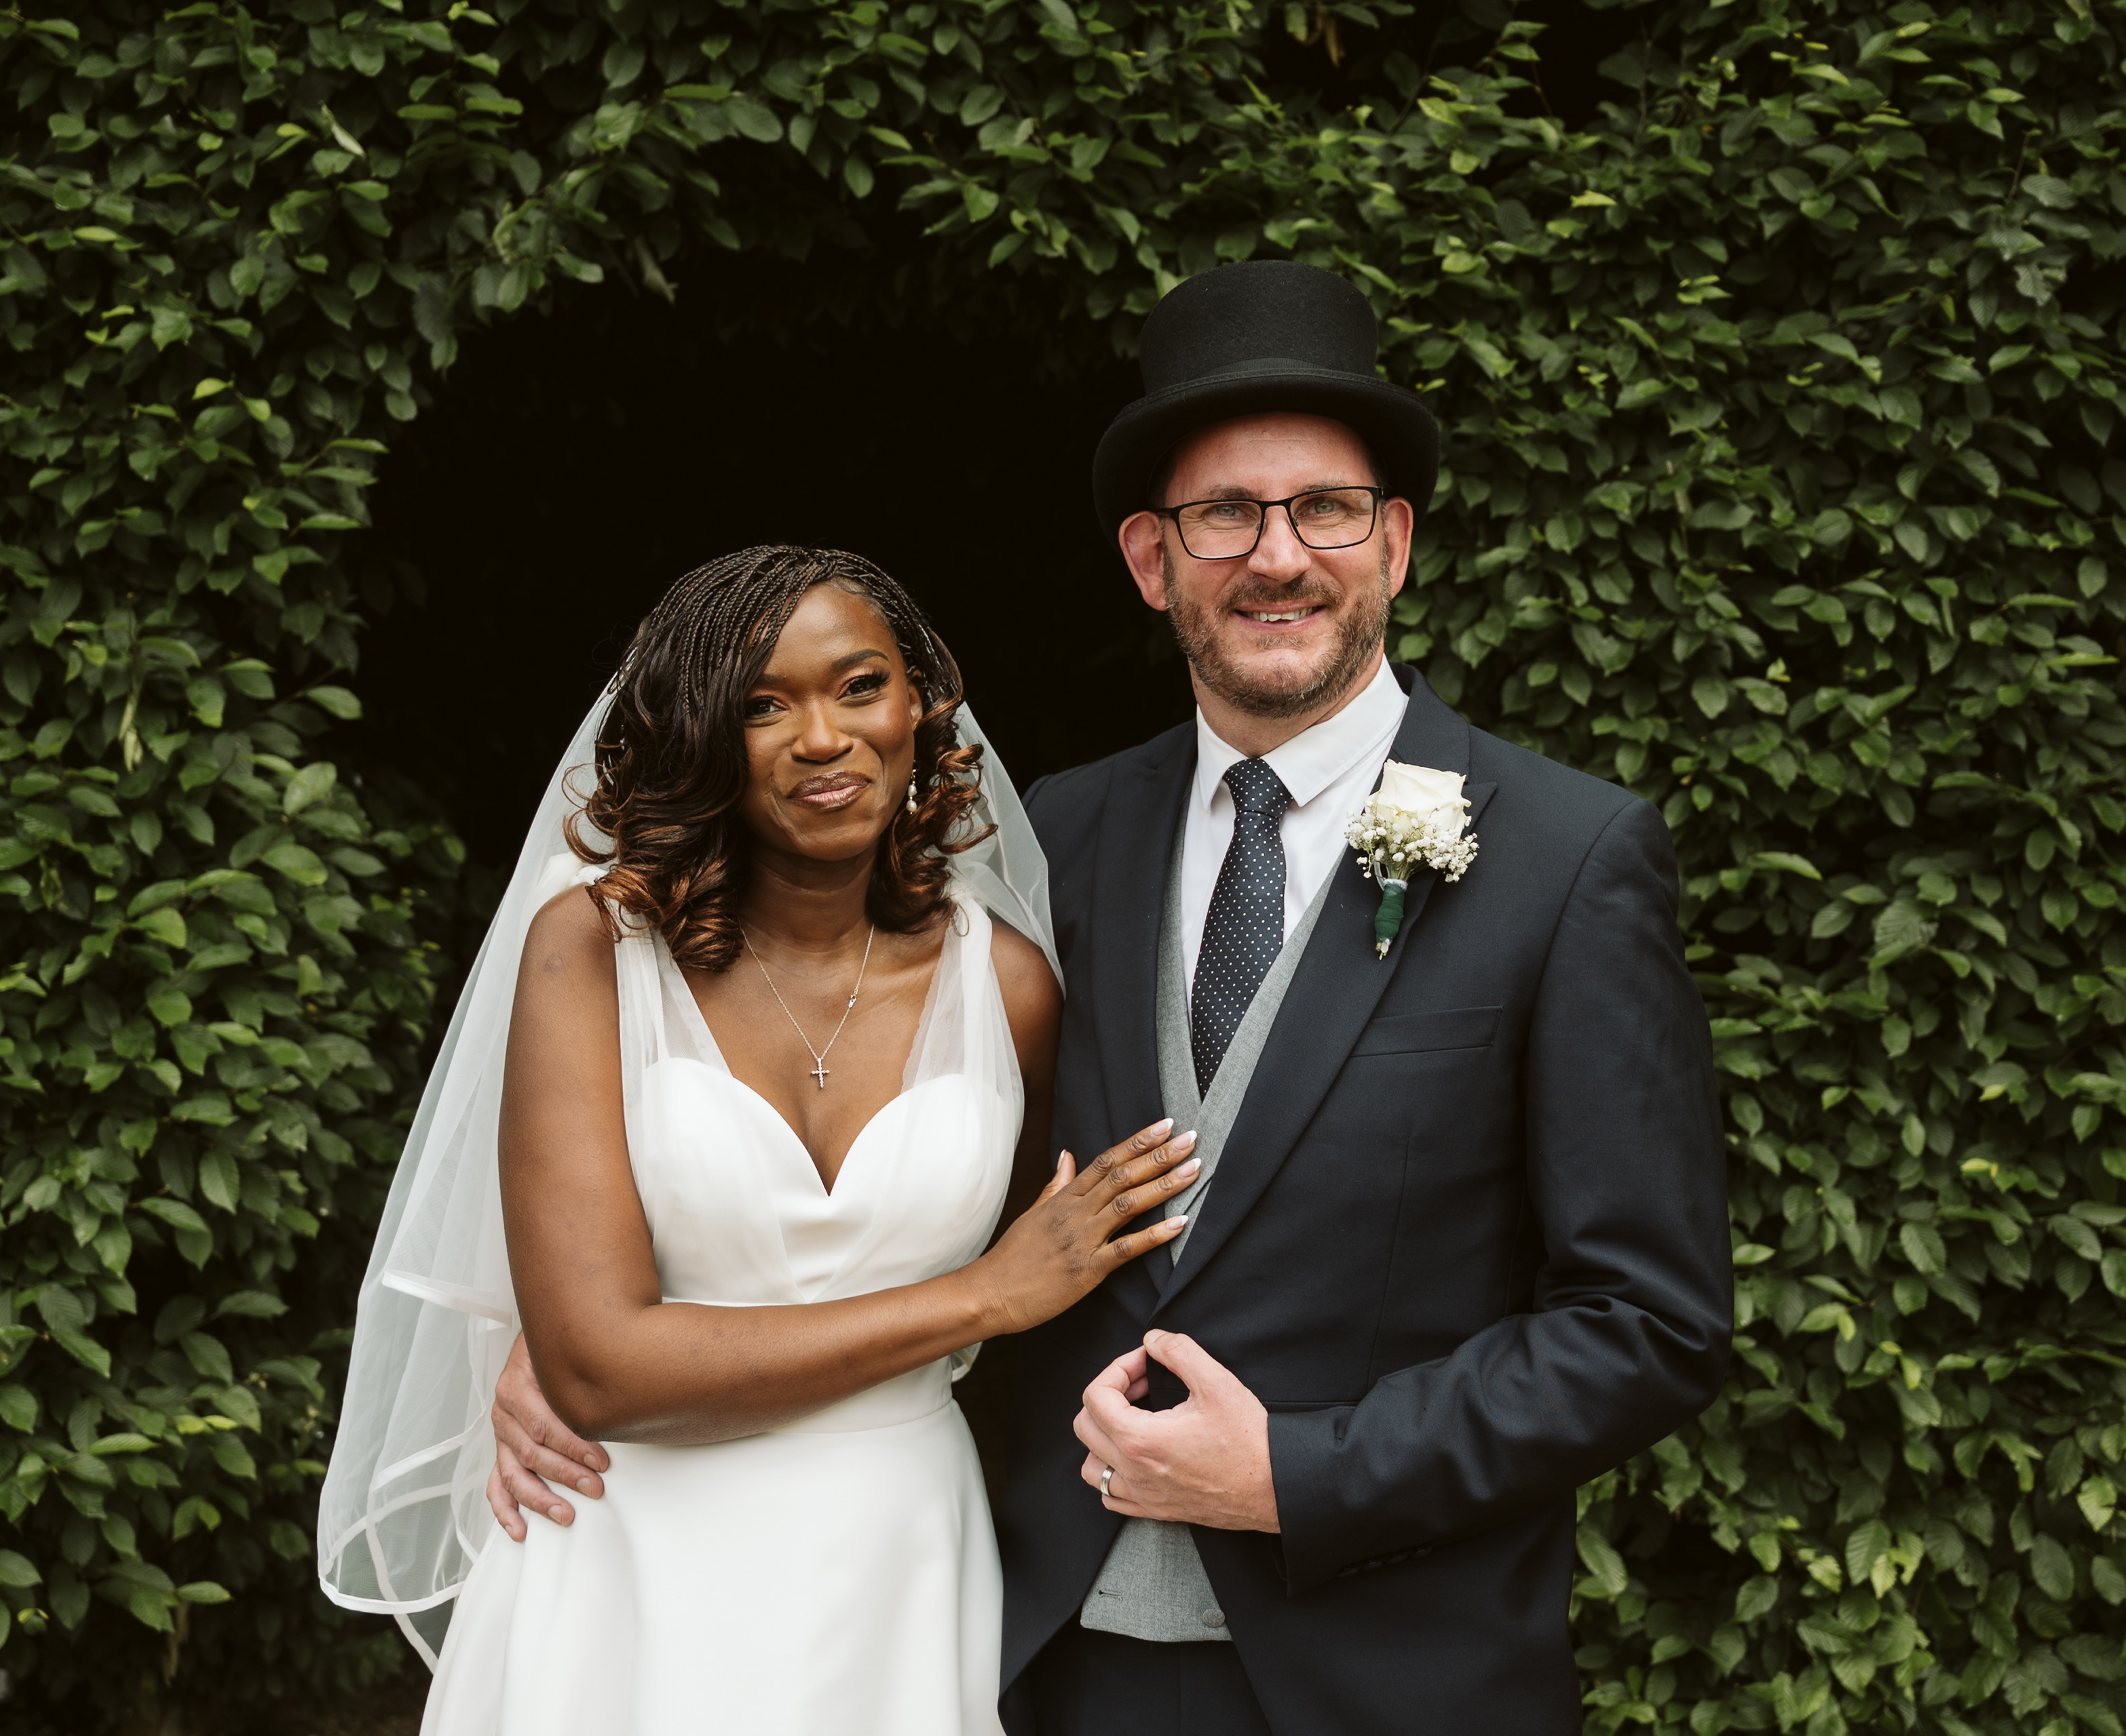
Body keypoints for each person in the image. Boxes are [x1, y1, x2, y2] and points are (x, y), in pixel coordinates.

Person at [491, 262, 1736, 1736]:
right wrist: (595, 1333)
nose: (1279, 557)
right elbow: (900, 1138)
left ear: (1395, 542)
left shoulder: (1568, 856)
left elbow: (1647, 1321)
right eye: (1225, 516)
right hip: (1049, 1653)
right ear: (1153, 560)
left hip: (1388, 1669)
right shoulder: (1051, 847)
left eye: (1327, 509)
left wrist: (1300, 1473)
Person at [315, 546, 1219, 1735]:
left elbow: (1067, 1291)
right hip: (629, 1563)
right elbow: (596, 1366)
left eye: (860, 686)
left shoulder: (1006, 985)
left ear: (917, 706)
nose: (823, 737)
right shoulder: (592, 952)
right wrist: (981, 1298)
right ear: (696, 736)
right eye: (761, 705)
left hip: (897, 1564)